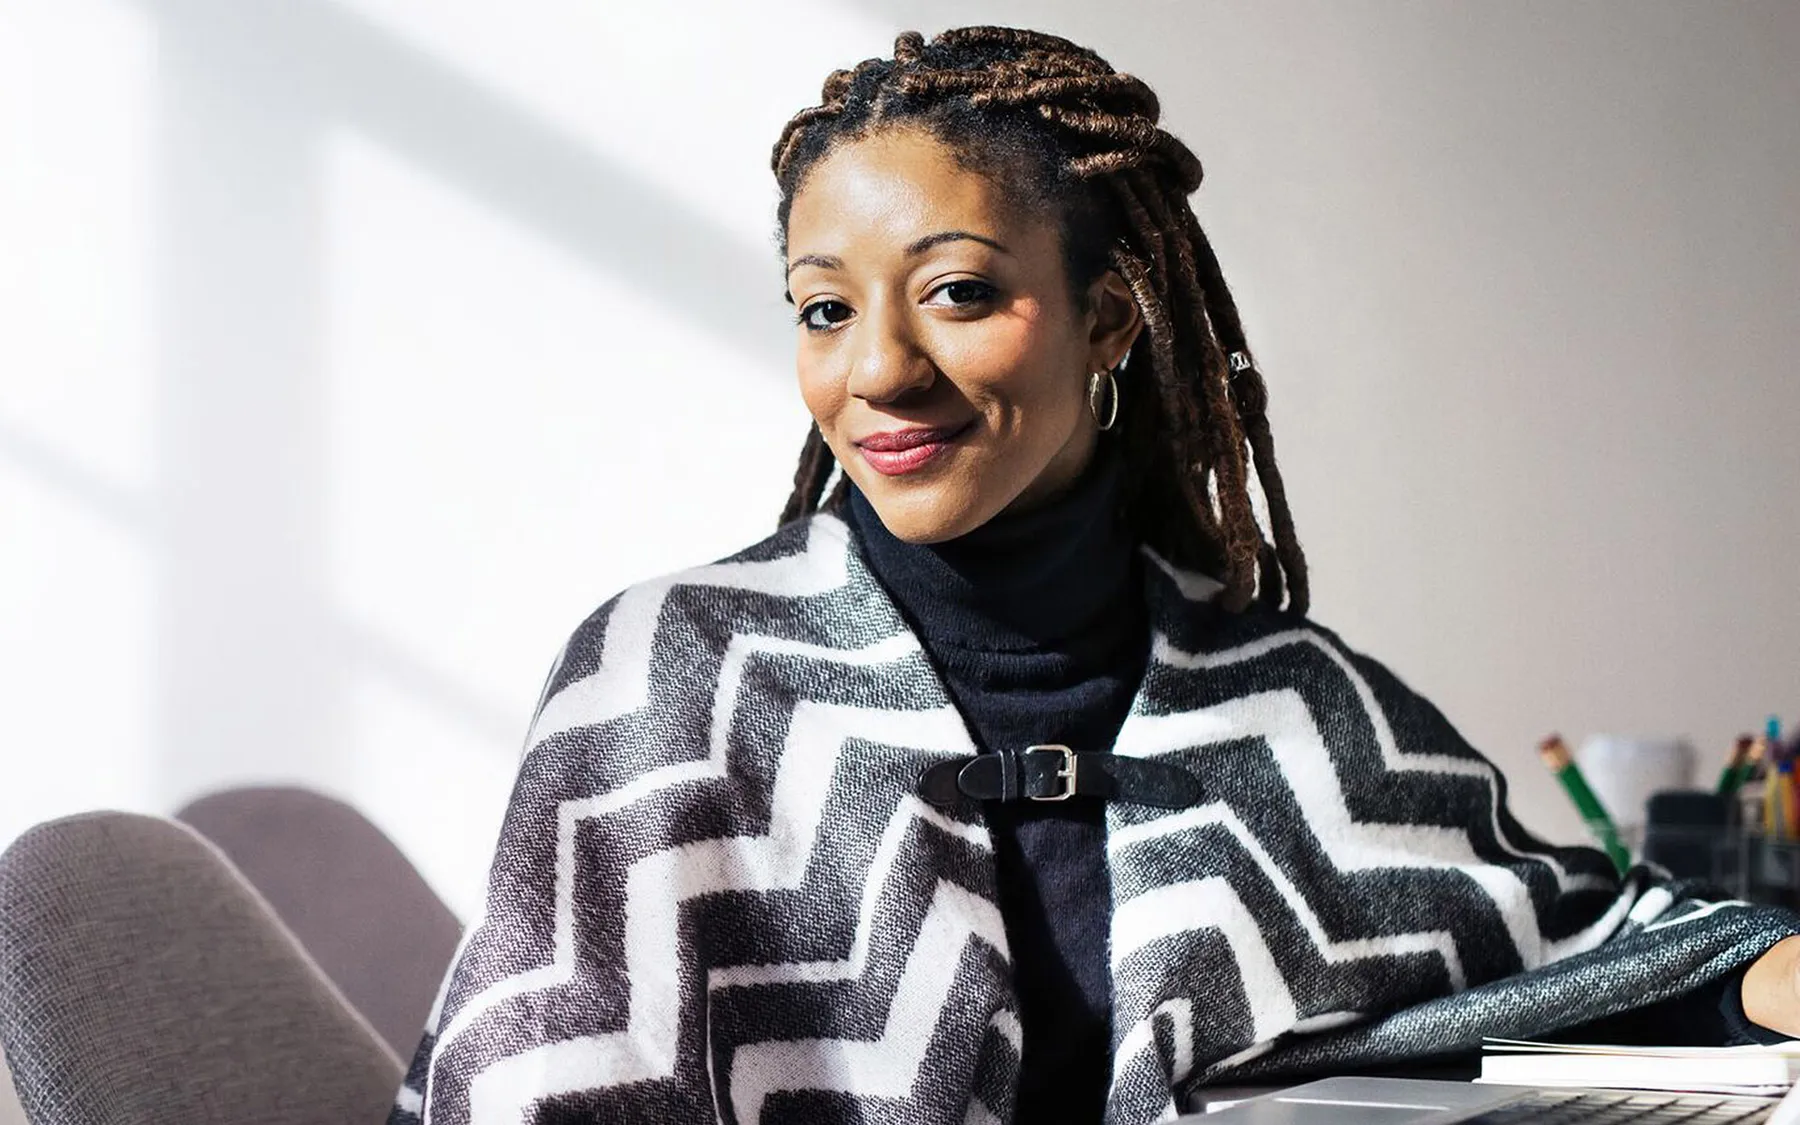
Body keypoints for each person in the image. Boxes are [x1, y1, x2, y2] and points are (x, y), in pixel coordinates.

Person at [390, 26, 1800, 1125]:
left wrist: (1757, 977)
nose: (877, 368)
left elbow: (1589, 953)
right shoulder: (675, 677)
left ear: (1111, 315)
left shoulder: (1281, 700)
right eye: (825, 309)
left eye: (957, 291)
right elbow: (527, 1080)